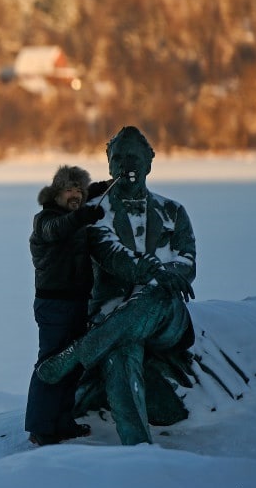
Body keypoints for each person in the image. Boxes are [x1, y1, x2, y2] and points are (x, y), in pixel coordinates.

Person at [36, 126, 196, 446]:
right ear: (109, 165)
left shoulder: (173, 211)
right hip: (111, 311)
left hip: (165, 315)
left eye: (135, 157)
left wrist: (164, 275)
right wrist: (148, 269)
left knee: (152, 293)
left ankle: (82, 351)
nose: (127, 164)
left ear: (150, 163)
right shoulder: (96, 211)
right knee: (121, 350)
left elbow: (187, 262)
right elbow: (110, 253)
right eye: (119, 157)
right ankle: (138, 448)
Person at [25, 165, 105, 446]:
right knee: (51, 363)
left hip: (78, 302)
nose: (76, 195)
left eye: (80, 190)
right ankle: (40, 428)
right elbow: (58, 229)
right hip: (53, 305)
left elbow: (77, 213)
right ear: (56, 193)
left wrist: (99, 189)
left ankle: (63, 423)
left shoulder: (74, 215)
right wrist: (82, 214)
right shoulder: (45, 220)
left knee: (72, 364)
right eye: (69, 189)